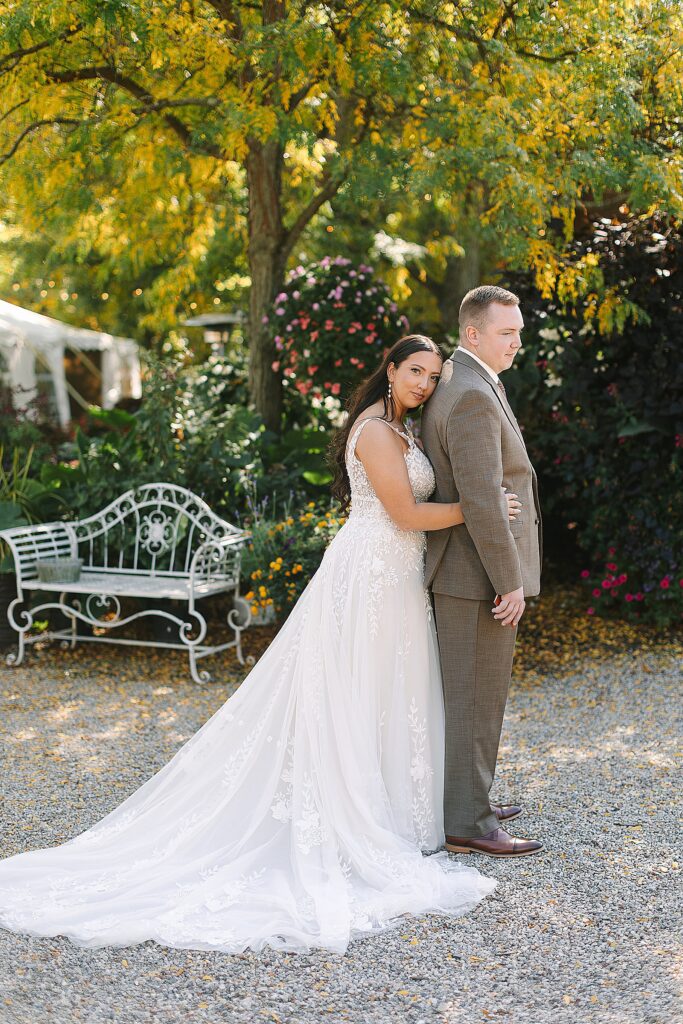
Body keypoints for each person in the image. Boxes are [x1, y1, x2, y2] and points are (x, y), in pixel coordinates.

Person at [0, 335, 521, 955]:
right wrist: (477, 507)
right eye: (414, 372)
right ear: (389, 370)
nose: (424, 385)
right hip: (369, 577)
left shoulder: (403, 428)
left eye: (433, 377)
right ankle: (349, 816)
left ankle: (400, 808)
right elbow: (405, 515)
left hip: (398, 581)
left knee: (388, 690)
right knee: (355, 690)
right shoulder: (377, 432)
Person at [421, 286, 544, 857]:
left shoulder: (467, 381)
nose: (517, 341)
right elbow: (481, 499)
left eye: (518, 331)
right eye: (507, 332)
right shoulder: (469, 393)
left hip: (472, 574)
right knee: (473, 701)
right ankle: (468, 821)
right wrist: (509, 579)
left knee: (479, 698)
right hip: (476, 578)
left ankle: (474, 798)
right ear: (473, 334)